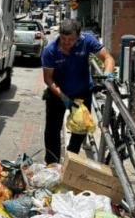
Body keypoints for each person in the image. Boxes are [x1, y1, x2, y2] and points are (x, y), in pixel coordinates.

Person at [41, 19, 115, 164]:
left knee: (81, 128)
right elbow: (48, 79)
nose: (66, 42)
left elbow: (107, 57)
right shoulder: (50, 50)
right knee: (52, 130)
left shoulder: (87, 40)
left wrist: (108, 74)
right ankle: (52, 163)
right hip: (58, 94)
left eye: (70, 39)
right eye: (63, 38)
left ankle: (71, 159)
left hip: (82, 92)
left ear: (78, 37)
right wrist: (63, 97)